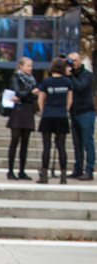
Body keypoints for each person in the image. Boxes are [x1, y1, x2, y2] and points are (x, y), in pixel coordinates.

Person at [37, 57, 73, 184]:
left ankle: (44, 175)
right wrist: (64, 110)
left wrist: (43, 111)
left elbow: (40, 100)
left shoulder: (46, 82)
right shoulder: (67, 82)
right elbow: (70, 100)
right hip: (61, 115)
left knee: (46, 146)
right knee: (61, 146)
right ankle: (63, 175)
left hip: (48, 115)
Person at [6, 57, 38, 181]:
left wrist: (27, 95)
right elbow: (18, 93)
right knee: (15, 141)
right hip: (18, 112)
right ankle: (10, 170)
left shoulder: (32, 80)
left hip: (28, 111)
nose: (30, 68)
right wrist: (30, 93)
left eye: (31, 66)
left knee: (25, 142)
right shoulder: (16, 77)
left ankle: (22, 170)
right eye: (28, 66)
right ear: (21, 66)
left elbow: (33, 96)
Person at [67, 52, 95, 181]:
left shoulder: (87, 75)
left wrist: (70, 75)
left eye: (75, 60)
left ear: (80, 61)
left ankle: (89, 170)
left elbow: (80, 87)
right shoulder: (69, 76)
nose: (73, 63)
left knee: (87, 142)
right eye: (71, 60)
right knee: (77, 143)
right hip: (74, 112)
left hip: (86, 112)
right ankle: (78, 169)